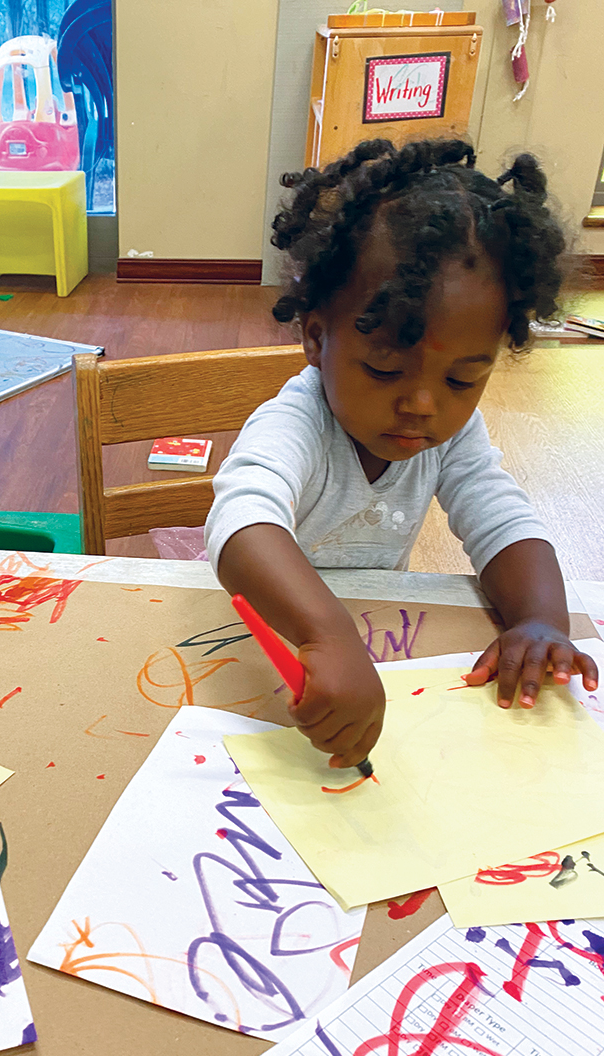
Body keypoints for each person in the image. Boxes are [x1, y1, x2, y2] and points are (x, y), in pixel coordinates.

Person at [205, 138, 598, 772]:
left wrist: (542, 619)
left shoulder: (449, 437)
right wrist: (325, 634)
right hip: (278, 635)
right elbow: (241, 525)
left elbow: (505, 524)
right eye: (386, 368)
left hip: (381, 636)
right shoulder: (298, 421)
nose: (422, 405)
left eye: (462, 381)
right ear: (316, 336)